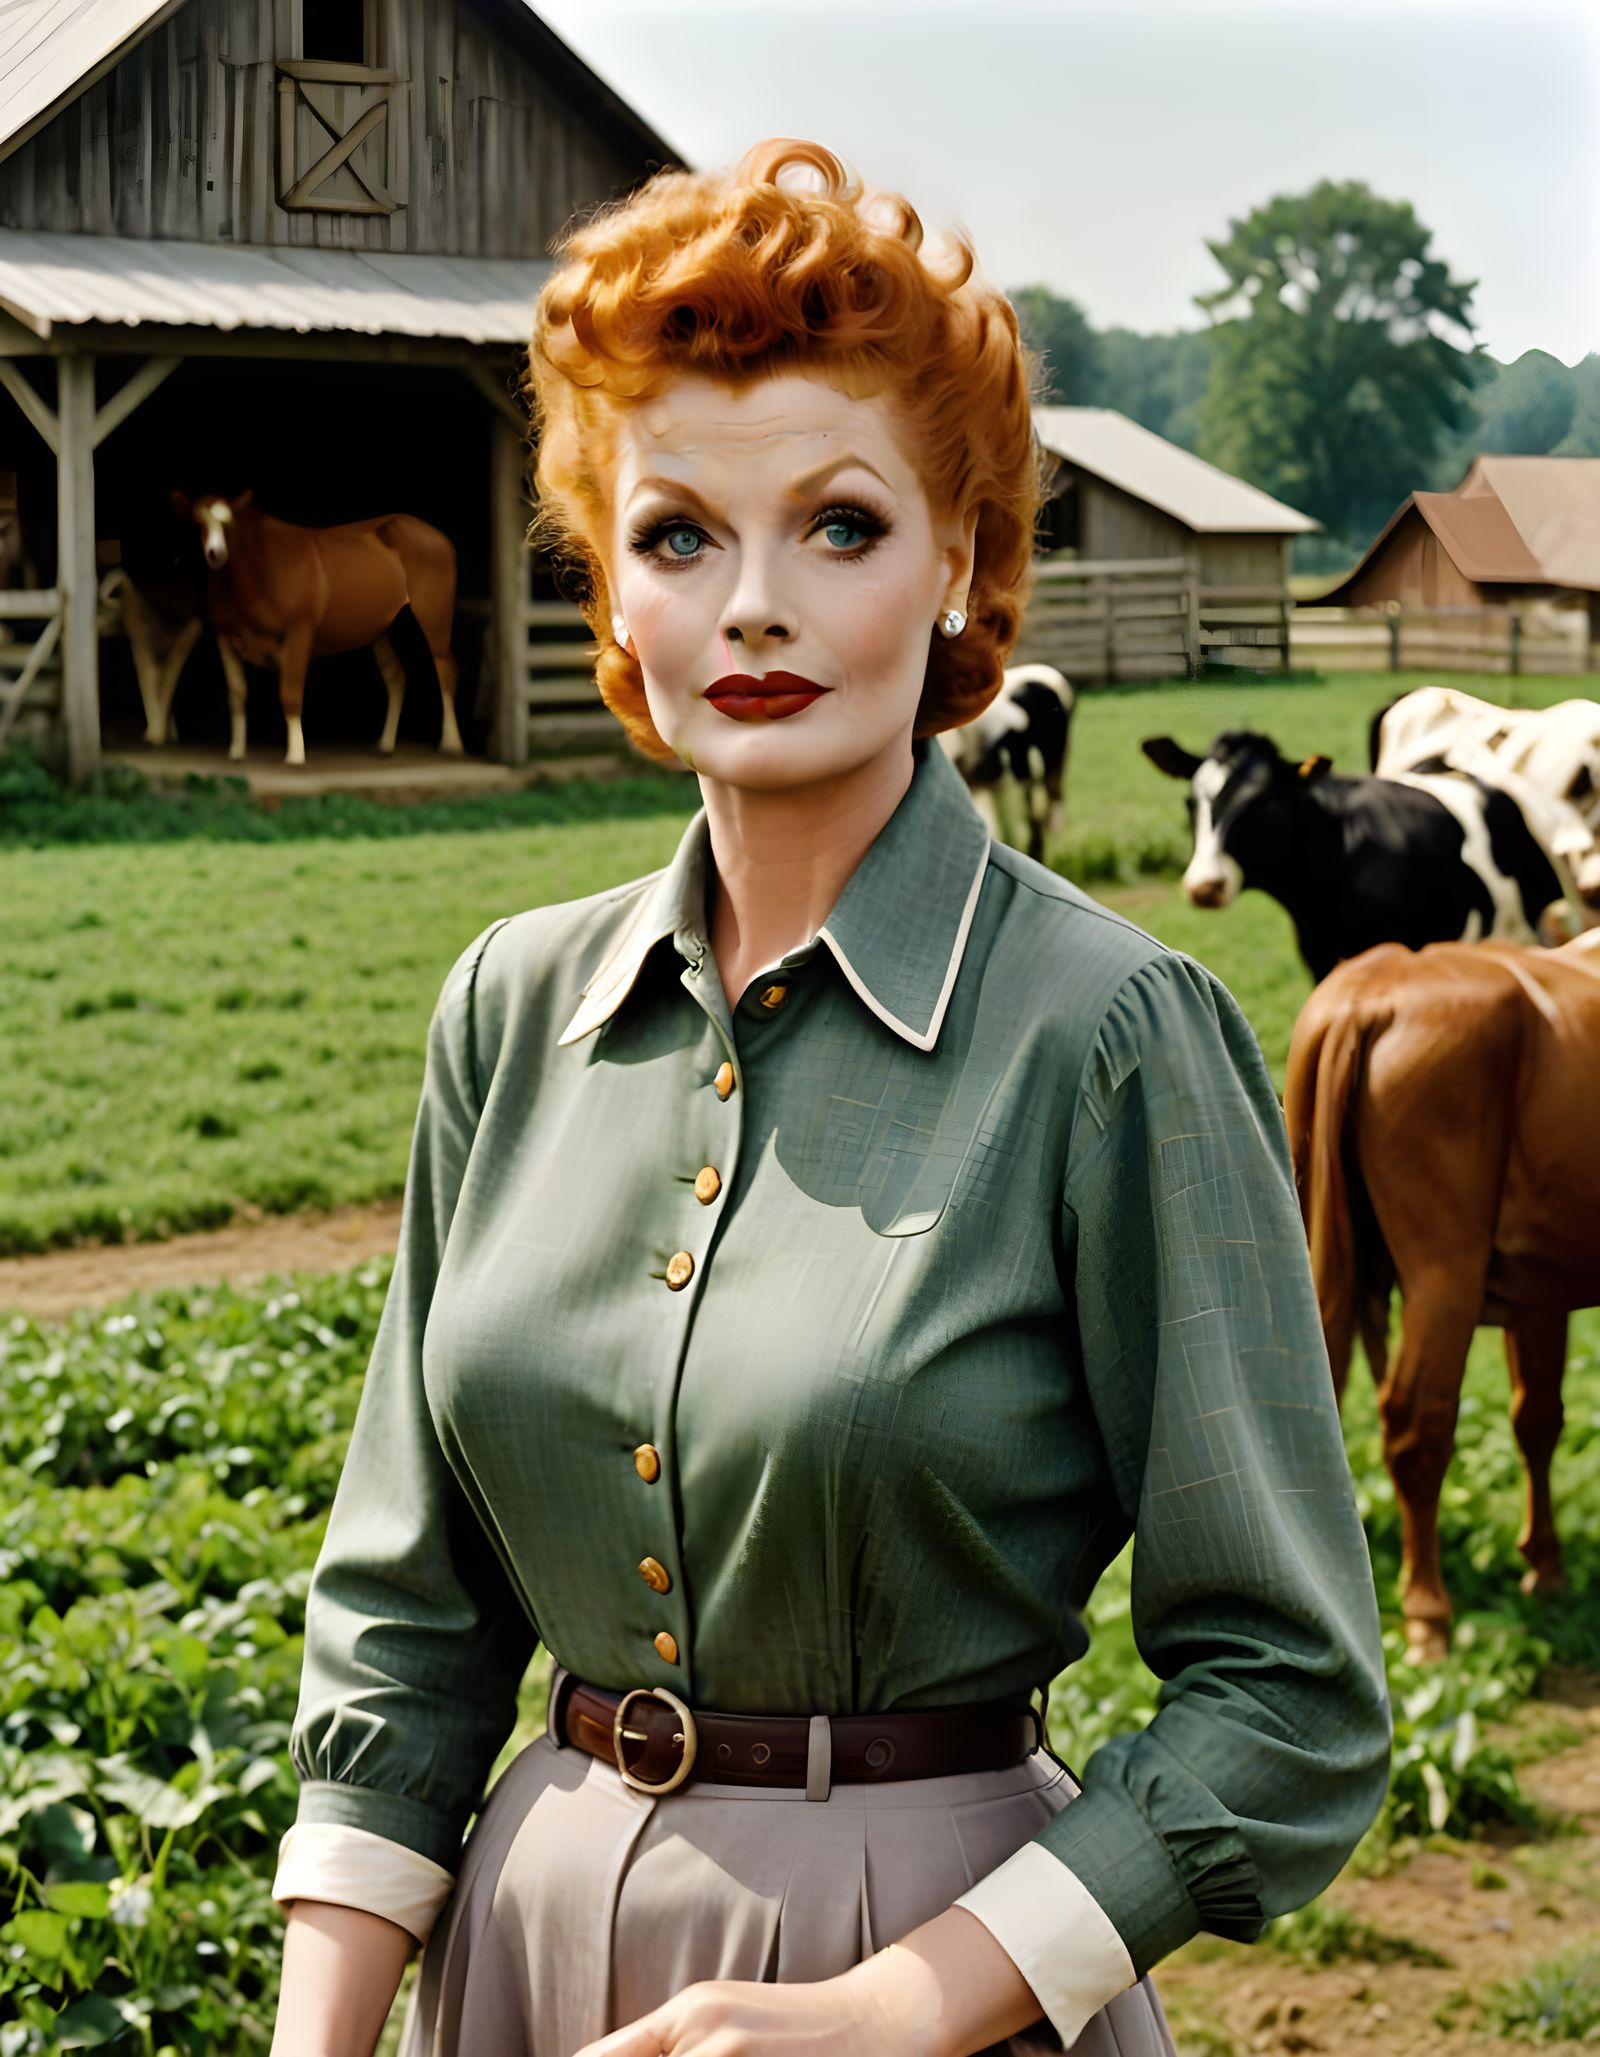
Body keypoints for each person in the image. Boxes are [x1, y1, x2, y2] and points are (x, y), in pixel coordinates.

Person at [268, 138, 1391, 2057]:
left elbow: (1284, 1692)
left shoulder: (1116, 1036)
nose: (756, 605)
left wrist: (898, 2002)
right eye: (680, 534)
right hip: (525, 1958)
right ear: (610, 590)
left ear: (960, 556)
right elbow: (408, 1615)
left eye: (842, 526)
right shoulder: (505, 1010)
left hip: (935, 1976)